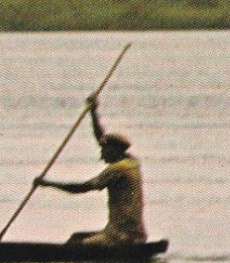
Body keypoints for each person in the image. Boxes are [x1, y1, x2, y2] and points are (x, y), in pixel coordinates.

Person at [34, 95, 146, 246]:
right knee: (76, 237)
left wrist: (47, 184)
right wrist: (93, 112)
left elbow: (82, 188)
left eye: (104, 150)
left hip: (121, 236)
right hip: (130, 232)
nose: (101, 154)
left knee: (77, 246)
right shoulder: (132, 162)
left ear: (114, 150)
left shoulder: (118, 169)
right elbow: (101, 138)